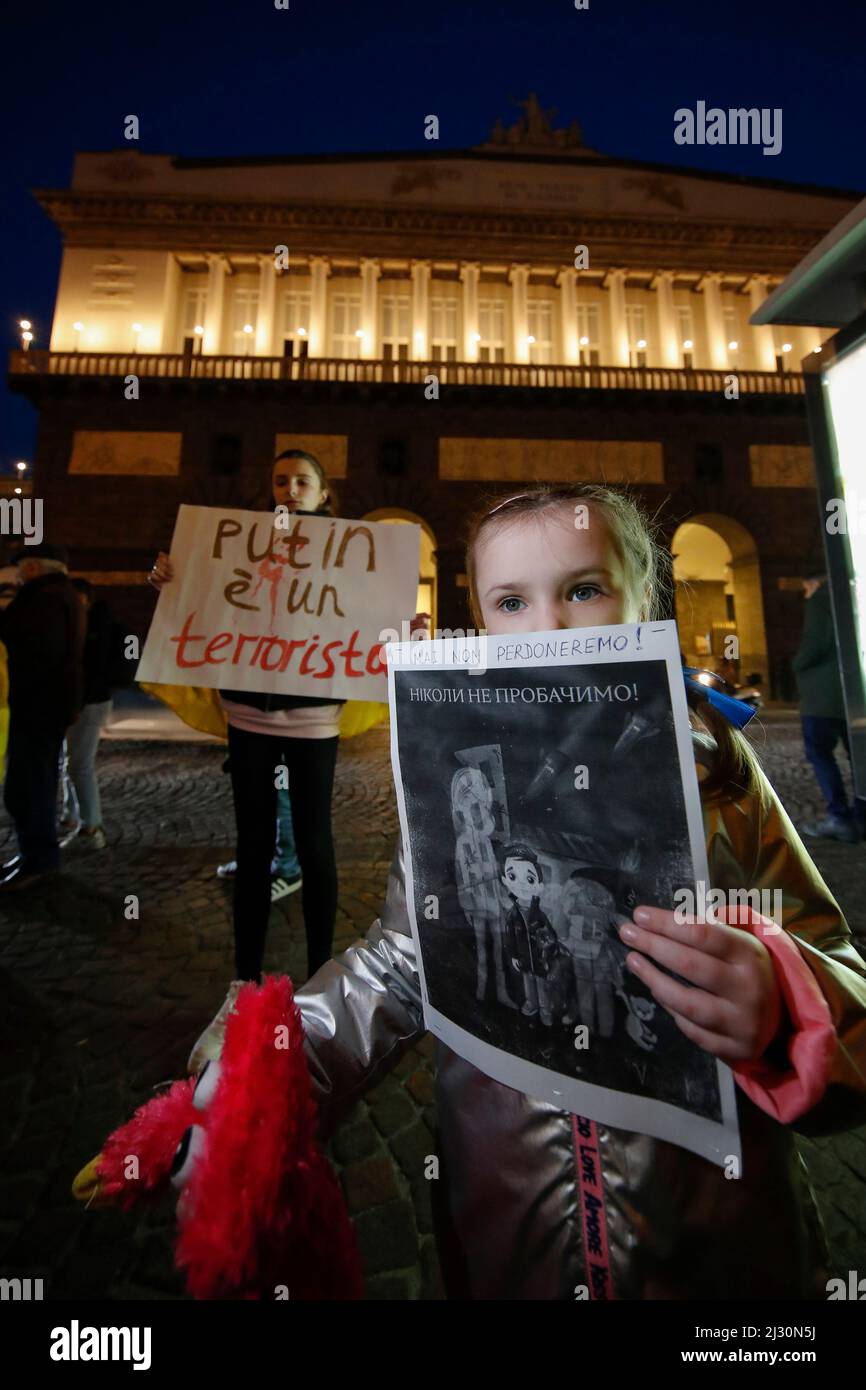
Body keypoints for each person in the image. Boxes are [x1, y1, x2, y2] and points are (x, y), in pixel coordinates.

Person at [253, 482, 864, 1300]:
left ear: (644, 599)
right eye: (511, 601)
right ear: (479, 616)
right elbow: (403, 964)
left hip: (712, 1242)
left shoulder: (717, 769)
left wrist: (783, 1001)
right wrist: (263, 1073)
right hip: (510, 1227)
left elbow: (832, 958)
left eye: (583, 590)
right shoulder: (455, 775)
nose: (547, 628)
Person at [150, 450, 423, 1071]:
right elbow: (199, 595)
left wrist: (406, 628)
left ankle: (319, 975)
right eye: (280, 479)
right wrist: (169, 577)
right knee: (252, 843)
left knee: (315, 838)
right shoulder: (229, 545)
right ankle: (241, 983)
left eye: (303, 481)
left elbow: (370, 619)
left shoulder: (351, 551)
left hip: (313, 718)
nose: (290, 488)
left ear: (324, 493)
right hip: (247, 714)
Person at [0, 543, 84, 890]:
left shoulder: (44, 599)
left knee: (28, 786)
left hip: (37, 706)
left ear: (33, 569)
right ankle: (35, 856)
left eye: (20, 569)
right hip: (48, 706)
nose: (17, 576)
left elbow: (33, 646)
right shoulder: (64, 596)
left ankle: (38, 860)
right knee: (36, 783)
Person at [794, 573, 866, 844]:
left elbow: (814, 644)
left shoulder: (820, 601)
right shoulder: (852, 600)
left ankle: (840, 819)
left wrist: (796, 665)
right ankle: (862, 815)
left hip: (822, 696)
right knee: (858, 755)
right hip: (854, 692)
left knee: (820, 754)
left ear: (814, 582)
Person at [65, 578, 113, 849]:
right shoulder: (85, 625)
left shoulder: (94, 627)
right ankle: (72, 815)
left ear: (84, 599)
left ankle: (91, 825)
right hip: (83, 701)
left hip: (90, 702)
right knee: (71, 762)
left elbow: (92, 668)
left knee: (80, 764)